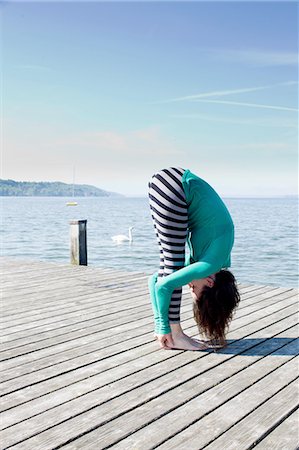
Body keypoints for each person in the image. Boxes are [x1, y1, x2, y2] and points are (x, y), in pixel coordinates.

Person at [148, 167, 240, 351]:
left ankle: (174, 333)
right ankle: (175, 335)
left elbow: (155, 280)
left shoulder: (216, 259)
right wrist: (162, 325)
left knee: (170, 267)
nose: (189, 285)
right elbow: (163, 285)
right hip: (178, 188)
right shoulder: (208, 264)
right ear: (209, 282)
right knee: (173, 269)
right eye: (194, 290)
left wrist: (160, 324)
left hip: (168, 182)